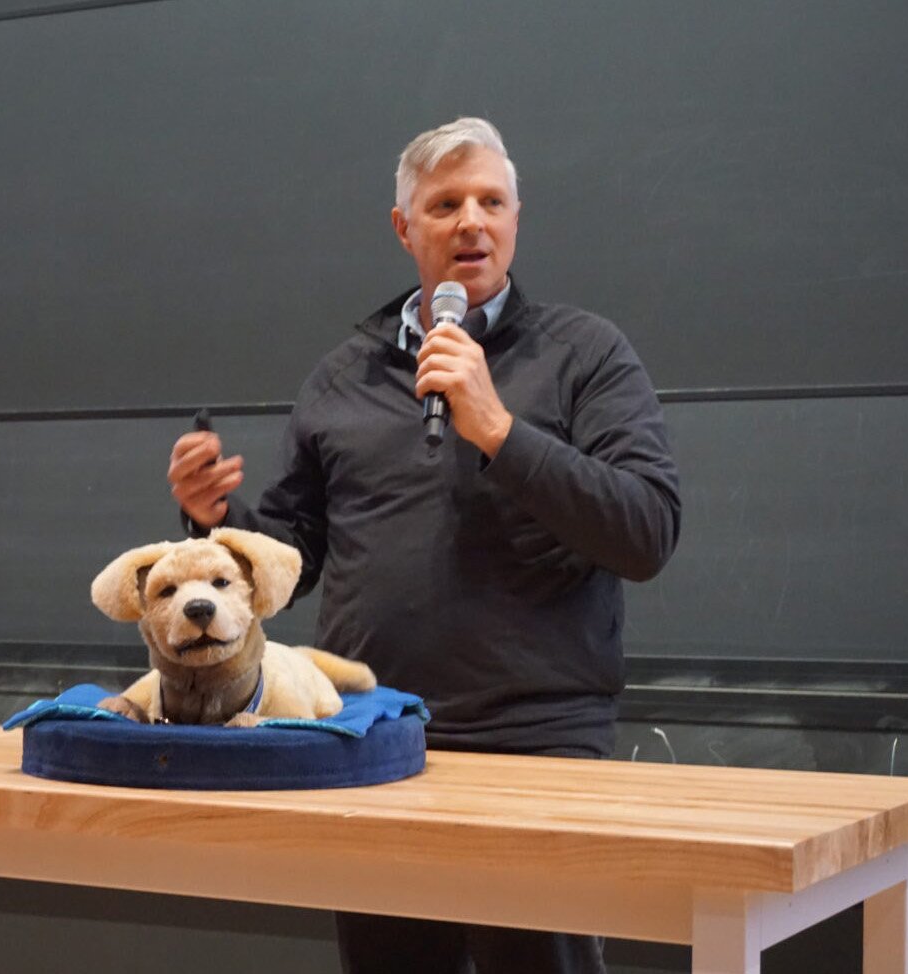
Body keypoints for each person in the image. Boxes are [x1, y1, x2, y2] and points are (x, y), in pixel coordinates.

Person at [166, 117, 681, 973]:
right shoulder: (343, 376)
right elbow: (289, 561)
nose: (471, 221)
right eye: (446, 204)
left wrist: (500, 431)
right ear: (406, 229)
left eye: (491, 201)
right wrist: (215, 524)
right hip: (373, 738)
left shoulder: (585, 355)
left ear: (518, 219)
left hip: (537, 741)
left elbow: (646, 530)